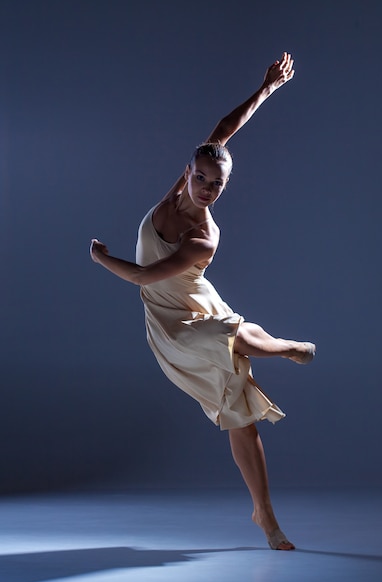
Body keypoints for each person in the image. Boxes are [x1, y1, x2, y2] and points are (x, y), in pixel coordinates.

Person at [90, 51, 316, 550]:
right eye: (201, 178)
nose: (208, 188)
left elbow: (145, 275)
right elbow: (223, 128)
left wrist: (101, 258)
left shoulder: (204, 235)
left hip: (195, 309)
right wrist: (265, 90)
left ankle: (266, 514)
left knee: (236, 387)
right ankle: (282, 351)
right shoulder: (178, 191)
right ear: (187, 171)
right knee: (234, 392)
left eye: (218, 184)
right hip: (167, 324)